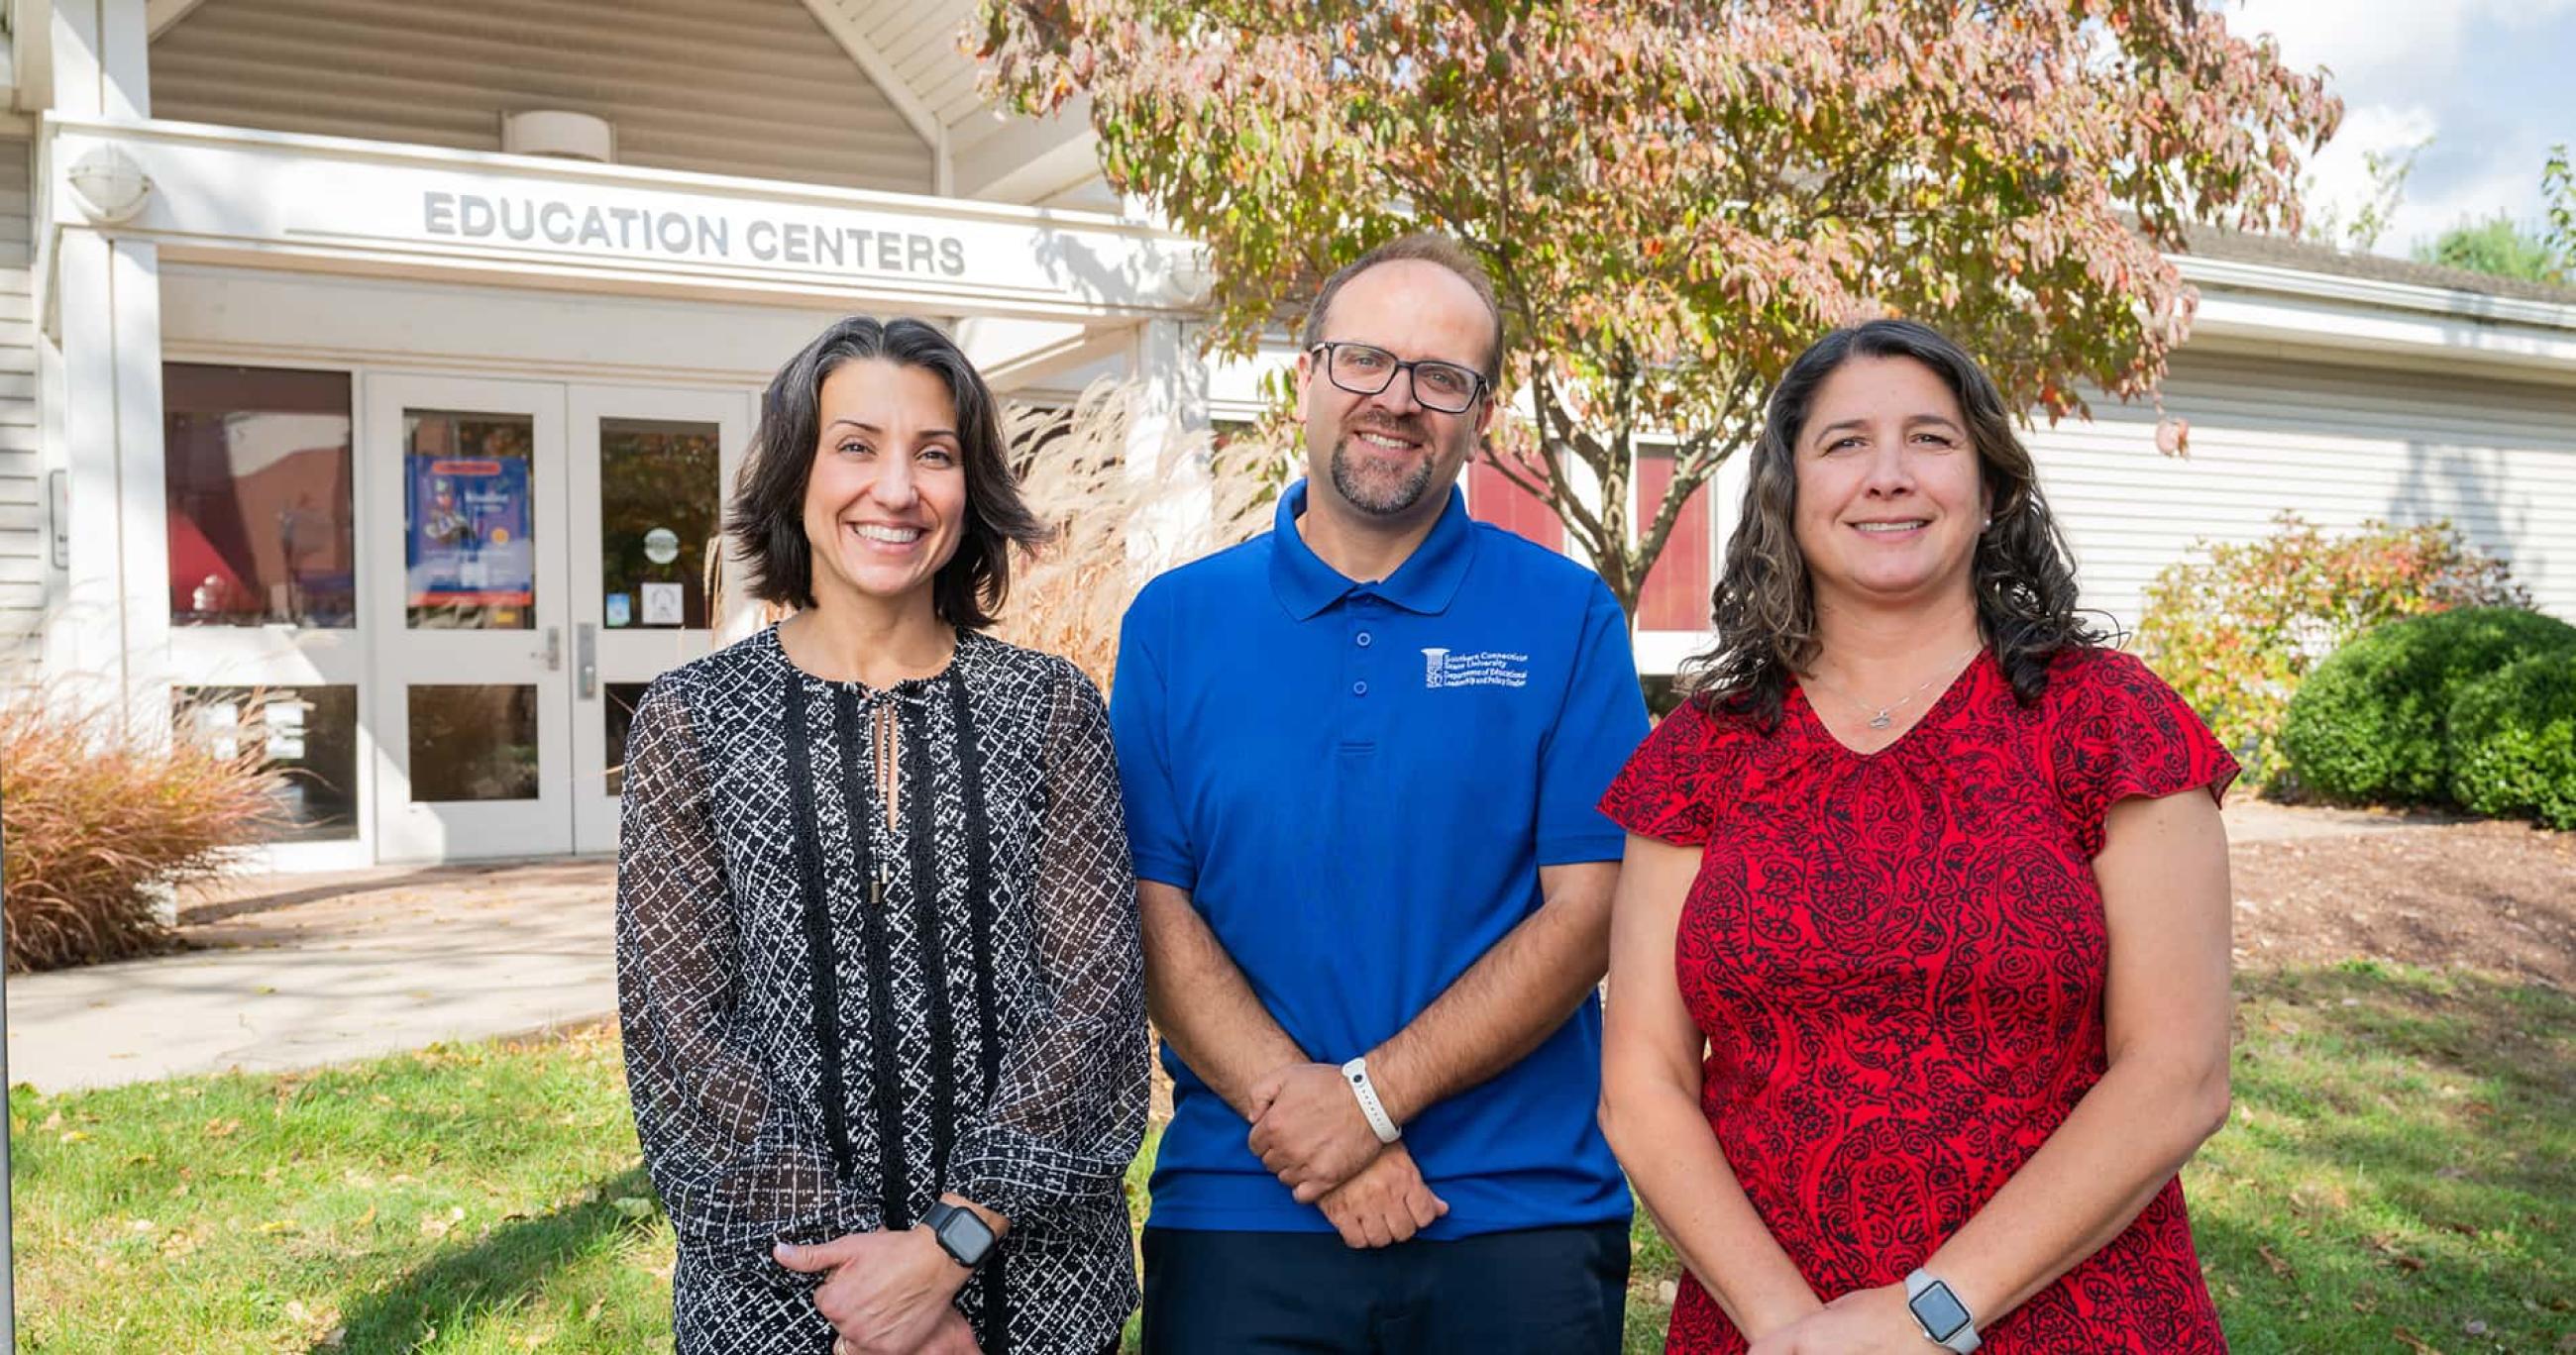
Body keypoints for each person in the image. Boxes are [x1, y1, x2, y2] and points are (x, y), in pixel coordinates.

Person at [1596, 319, 2238, 1354]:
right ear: (1786, 494)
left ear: (1988, 490)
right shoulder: (1701, 751)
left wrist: (1925, 1312)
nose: (1886, 475)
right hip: (1770, 1325)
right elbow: (1642, 1084)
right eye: (1843, 443)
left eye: (1930, 440)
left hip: (2069, 1315)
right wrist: (1791, 1330)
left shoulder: (2110, 724)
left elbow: (2176, 1074)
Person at [1111, 232, 1650, 1353]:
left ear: (1479, 414)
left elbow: (1591, 908)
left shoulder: (1566, 617)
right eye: (1363, 361)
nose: (1396, 400)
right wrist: (1313, 1126)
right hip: (1245, 1205)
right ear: (1304, 376)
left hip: (1514, 1210)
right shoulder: (1174, 623)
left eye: (1440, 378)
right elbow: (1151, 910)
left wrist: (1366, 1103)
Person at [616, 315, 1147, 1355]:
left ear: (971, 487)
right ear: (794, 476)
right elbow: (678, 1027)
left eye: (935, 454)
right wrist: (864, 1288)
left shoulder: (1049, 708)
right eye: (854, 445)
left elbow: (1094, 1004)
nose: (896, 490)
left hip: (1030, 1293)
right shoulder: (693, 718)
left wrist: (945, 1252)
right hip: (784, 1297)